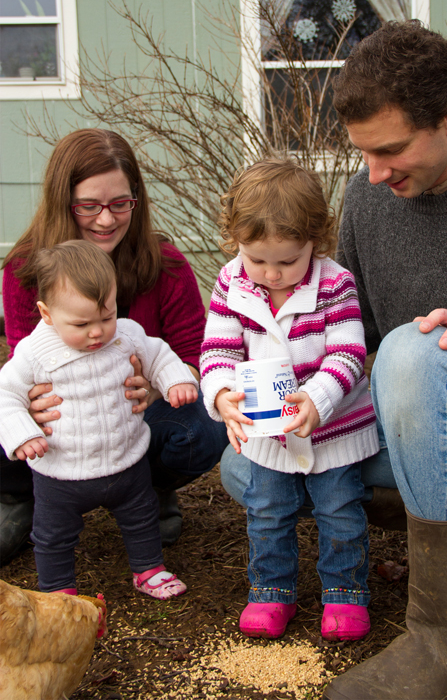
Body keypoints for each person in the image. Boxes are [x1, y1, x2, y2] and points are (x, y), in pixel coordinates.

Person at [318, 20, 447, 700]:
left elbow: (405, 347)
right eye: (363, 156)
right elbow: (357, 332)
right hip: (426, 423)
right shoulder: (364, 199)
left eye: (390, 151)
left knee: (417, 350)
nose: (375, 175)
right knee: (249, 463)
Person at [0, 128, 227, 566]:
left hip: (134, 419)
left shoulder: (166, 265)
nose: (106, 219)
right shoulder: (29, 267)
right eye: (89, 205)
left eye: (120, 203)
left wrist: (160, 387)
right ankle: (22, 495)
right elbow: (21, 361)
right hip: (58, 427)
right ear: (63, 201)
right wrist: (27, 406)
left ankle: (147, 488)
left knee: (203, 427)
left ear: (136, 199)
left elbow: (197, 357)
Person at [200, 158, 379, 641]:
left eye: (287, 261)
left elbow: (349, 353)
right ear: (237, 240)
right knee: (267, 512)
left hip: (332, 429)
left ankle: (345, 595)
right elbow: (217, 350)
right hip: (265, 431)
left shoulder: (334, 283)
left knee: (339, 511)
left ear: (314, 243)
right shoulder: (232, 282)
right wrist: (221, 397)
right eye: (258, 260)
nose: (272, 274)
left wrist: (318, 399)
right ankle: (270, 592)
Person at [0, 240, 197, 598]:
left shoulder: (125, 334)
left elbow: (159, 356)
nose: (97, 332)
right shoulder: (34, 351)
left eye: (106, 316)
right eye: (82, 323)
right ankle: (59, 591)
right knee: (53, 535)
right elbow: (6, 394)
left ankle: (148, 568)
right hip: (62, 472)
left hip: (126, 460)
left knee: (141, 516)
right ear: (47, 314)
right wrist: (21, 432)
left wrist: (176, 380)